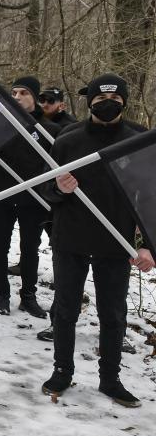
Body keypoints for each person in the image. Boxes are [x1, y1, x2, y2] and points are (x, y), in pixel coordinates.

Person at [38, 74, 153, 407]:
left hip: (115, 241)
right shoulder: (67, 139)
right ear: (89, 101)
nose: (108, 105)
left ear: (125, 101)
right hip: (70, 237)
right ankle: (62, 370)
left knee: (113, 314)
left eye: (116, 100)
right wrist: (59, 188)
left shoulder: (139, 140)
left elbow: (149, 197)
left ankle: (110, 378)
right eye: (102, 99)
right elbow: (45, 190)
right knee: (65, 310)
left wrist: (147, 244)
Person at [0, 77, 60, 318]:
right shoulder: (0, 126)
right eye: (13, 92)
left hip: (33, 199)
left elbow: (57, 166)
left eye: (23, 93)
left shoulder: (49, 130)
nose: (16, 97)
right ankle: (1, 296)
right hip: (1, 196)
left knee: (30, 248)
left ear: (35, 98)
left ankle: (28, 297)